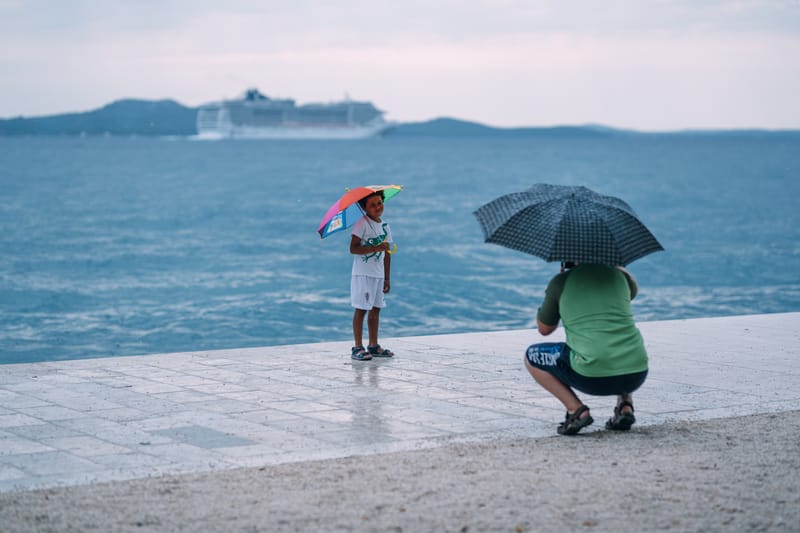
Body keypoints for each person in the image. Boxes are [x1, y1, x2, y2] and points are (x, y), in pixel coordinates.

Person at [524, 261, 648, 435]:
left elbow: (545, 329)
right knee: (617, 345)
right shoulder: (621, 278)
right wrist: (618, 269)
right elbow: (632, 292)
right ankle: (625, 407)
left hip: (592, 377)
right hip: (637, 373)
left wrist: (552, 294)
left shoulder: (561, 282)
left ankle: (576, 410)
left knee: (532, 356)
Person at [348, 190, 395, 361]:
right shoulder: (361, 224)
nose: (377, 207)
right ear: (365, 208)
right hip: (363, 274)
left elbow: (387, 253)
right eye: (372, 205)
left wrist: (387, 277)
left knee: (376, 309)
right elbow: (353, 248)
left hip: (378, 275)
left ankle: (373, 345)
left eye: (379, 203)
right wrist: (375, 248)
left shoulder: (385, 226)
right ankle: (357, 347)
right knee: (361, 309)